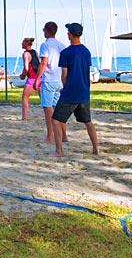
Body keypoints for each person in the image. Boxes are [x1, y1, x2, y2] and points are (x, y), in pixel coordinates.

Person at [50, 23, 100, 158]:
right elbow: (84, 71)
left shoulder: (66, 53)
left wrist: (65, 89)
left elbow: (64, 75)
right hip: (84, 91)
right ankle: (96, 148)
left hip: (71, 92)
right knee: (87, 121)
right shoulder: (86, 51)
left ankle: (59, 151)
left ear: (69, 34)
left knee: (56, 119)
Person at [35, 21, 67, 144]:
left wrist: (37, 78)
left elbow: (43, 63)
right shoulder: (62, 45)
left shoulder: (45, 45)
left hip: (49, 79)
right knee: (58, 110)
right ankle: (64, 135)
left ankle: (50, 135)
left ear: (46, 31)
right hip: (59, 80)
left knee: (48, 109)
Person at [18, 37, 41, 121]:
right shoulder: (35, 52)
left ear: (26, 43)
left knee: (25, 97)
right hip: (40, 77)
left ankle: (24, 117)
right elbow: (38, 64)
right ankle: (51, 115)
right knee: (44, 99)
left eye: (23, 42)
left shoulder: (25, 54)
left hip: (32, 78)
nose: (21, 44)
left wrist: (23, 75)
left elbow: (26, 67)